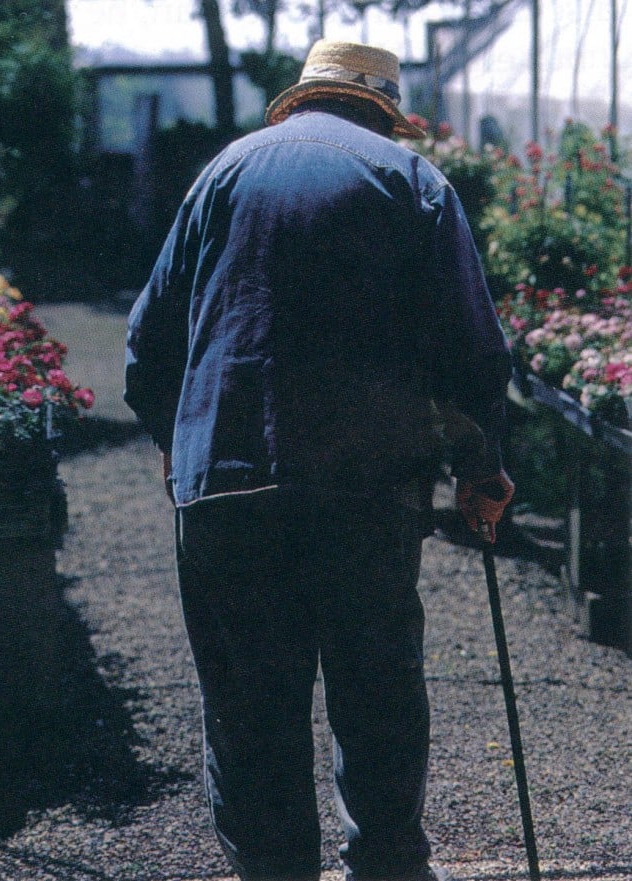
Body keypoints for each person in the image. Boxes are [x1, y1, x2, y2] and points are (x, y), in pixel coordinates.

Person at [124, 40, 515, 881]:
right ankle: (387, 865)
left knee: (247, 705)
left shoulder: (220, 175)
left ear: (301, 99)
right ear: (381, 109)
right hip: (364, 488)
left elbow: (148, 341)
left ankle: (274, 870)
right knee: (376, 693)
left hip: (223, 481)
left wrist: (175, 441)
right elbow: (470, 352)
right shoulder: (414, 184)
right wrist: (481, 468)